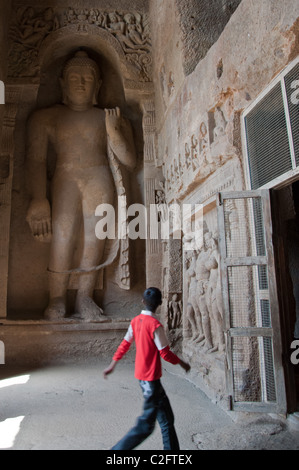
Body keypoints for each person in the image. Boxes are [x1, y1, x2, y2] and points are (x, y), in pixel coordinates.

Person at [26, 50, 136, 320]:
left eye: (88, 78)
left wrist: (113, 130)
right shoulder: (45, 118)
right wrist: (39, 199)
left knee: (93, 240)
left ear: (97, 85)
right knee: (62, 239)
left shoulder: (109, 117)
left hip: (99, 180)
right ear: (62, 82)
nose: (81, 82)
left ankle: (85, 297)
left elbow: (130, 161)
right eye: (74, 77)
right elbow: (36, 161)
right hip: (65, 180)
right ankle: (57, 298)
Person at [103, 287, 190, 450]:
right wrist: (182, 363)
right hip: (150, 379)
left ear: (143, 301)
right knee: (146, 426)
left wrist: (112, 365)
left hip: (145, 377)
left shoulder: (136, 321)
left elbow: (124, 344)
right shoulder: (155, 325)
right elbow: (165, 353)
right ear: (160, 303)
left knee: (167, 419)